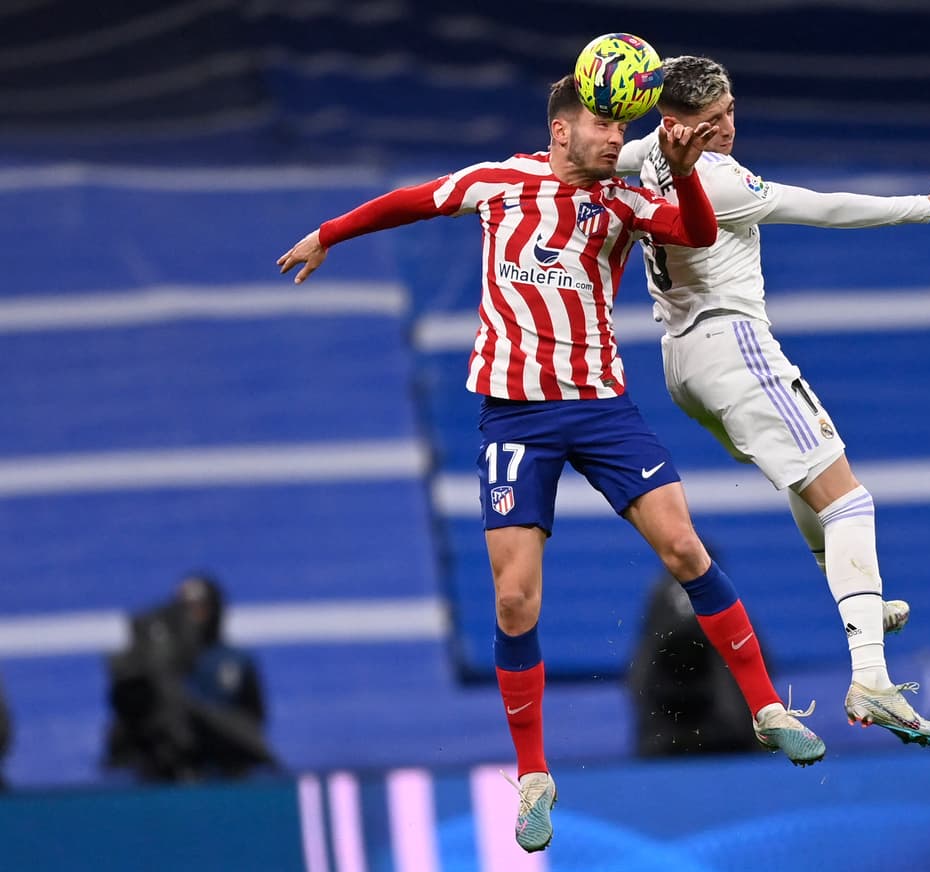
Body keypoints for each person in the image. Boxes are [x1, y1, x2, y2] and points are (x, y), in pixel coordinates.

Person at [278, 75, 826, 854]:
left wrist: (683, 164)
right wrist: (330, 233)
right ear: (562, 132)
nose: (617, 140)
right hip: (515, 415)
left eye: (624, 129)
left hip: (601, 409)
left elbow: (696, 233)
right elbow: (409, 199)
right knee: (512, 603)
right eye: (606, 127)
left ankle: (769, 708)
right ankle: (534, 776)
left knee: (684, 549)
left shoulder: (624, 203)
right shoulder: (499, 183)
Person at [615, 56, 930, 747]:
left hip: (682, 365)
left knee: (802, 478)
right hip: (731, 343)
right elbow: (821, 208)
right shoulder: (718, 179)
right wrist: (928, 205)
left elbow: (608, 154)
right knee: (849, 500)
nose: (724, 129)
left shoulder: (644, 154)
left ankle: (856, 600)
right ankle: (870, 674)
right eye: (708, 120)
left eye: (729, 112)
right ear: (675, 121)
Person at [104, 573, 273, 782]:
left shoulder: (236, 661)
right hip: (164, 777)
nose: (193, 615)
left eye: (200, 607)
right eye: (184, 608)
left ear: (216, 609)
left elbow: (253, 723)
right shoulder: (153, 663)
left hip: (223, 773)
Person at [628, 561, 764, 757]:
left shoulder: (660, 594)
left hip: (696, 730)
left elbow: (639, 671)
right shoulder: (665, 598)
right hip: (709, 728)